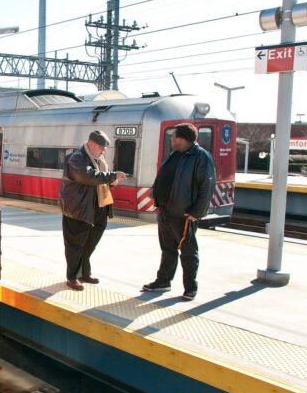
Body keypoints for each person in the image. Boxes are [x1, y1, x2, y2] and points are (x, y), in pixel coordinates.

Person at [143, 123, 216, 301]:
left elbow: (207, 186)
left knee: (188, 252)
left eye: (174, 137)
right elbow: (164, 176)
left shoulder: (201, 157)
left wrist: (197, 212)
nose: (172, 139)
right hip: (166, 211)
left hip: (184, 214)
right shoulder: (175, 154)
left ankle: (190, 288)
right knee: (167, 249)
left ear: (182, 139)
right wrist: (155, 192)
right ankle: (163, 281)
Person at [59, 130, 126, 291]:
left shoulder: (98, 159)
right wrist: (113, 175)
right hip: (78, 210)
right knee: (75, 246)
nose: (103, 151)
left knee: (90, 243)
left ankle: (84, 273)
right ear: (91, 144)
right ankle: (72, 277)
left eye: (104, 148)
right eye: (101, 147)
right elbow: (89, 177)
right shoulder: (77, 158)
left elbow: (99, 180)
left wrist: (111, 182)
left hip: (96, 208)